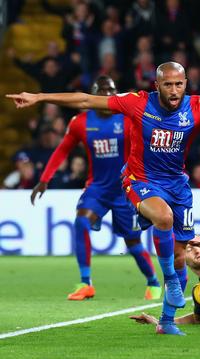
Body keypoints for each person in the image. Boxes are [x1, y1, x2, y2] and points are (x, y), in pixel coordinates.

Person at [7, 61, 200, 336]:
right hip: (140, 179)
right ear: (156, 85)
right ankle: (167, 279)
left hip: (177, 185)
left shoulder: (198, 107)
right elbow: (86, 100)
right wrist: (39, 97)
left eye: (178, 84)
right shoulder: (137, 103)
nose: (173, 90)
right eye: (167, 84)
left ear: (186, 85)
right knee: (163, 217)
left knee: (181, 255)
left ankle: (167, 321)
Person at [30, 76, 161, 301]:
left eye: (112, 90)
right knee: (81, 221)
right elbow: (62, 150)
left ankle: (153, 282)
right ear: (94, 94)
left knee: (133, 242)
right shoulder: (80, 122)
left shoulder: (128, 118)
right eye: (103, 91)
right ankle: (85, 282)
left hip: (125, 190)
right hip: (97, 188)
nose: (109, 95)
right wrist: (45, 178)